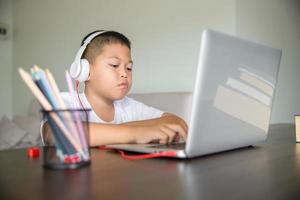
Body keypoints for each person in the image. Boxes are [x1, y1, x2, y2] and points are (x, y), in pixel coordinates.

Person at [43, 30, 188, 147]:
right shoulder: (67, 101)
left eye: (129, 68)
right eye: (114, 65)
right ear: (85, 70)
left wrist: (137, 130)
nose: (124, 73)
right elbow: (55, 133)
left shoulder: (128, 106)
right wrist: (136, 134)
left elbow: (176, 122)